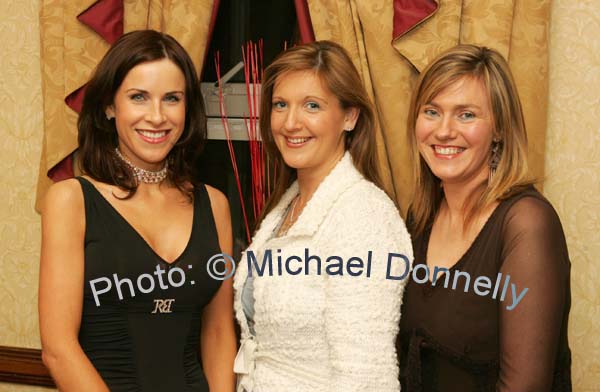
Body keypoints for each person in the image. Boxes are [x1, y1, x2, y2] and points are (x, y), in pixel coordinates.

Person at [39, 30, 236, 392]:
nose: (157, 116)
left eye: (172, 98)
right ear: (109, 106)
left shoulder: (215, 205)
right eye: (139, 97)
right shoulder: (71, 200)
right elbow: (58, 350)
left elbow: (220, 333)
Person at [232, 40, 412, 392]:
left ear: (349, 116)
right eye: (280, 105)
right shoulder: (287, 206)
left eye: (311, 105)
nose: (290, 122)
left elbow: (366, 376)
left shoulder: (364, 217)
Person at [398, 44, 572, 391]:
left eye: (466, 115)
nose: (444, 131)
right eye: (431, 111)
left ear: (499, 129)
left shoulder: (526, 224)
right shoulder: (421, 216)